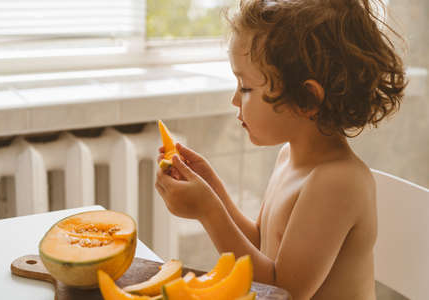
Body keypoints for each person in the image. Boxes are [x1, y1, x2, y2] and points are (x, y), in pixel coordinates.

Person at [155, 0, 406, 299]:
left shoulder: (338, 182)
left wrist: (209, 212)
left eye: (246, 87)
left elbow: (283, 291)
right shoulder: (289, 157)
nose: (235, 99)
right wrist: (213, 190)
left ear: (306, 99)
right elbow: (262, 245)